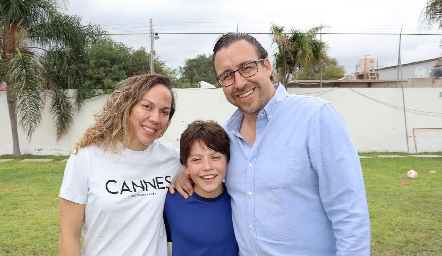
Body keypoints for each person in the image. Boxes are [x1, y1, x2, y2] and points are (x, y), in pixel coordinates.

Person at [171, 32, 371, 255]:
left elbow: (350, 213)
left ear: (266, 66)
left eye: (247, 67)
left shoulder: (315, 117)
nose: (239, 82)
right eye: (227, 75)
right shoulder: (227, 136)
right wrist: (185, 175)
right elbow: (210, 173)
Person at [58, 74, 182, 256]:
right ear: (127, 106)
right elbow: (69, 235)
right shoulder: (86, 158)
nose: (155, 118)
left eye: (164, 112)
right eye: (147, 106)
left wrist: (185, 177)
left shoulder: (172, 158)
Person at [164, 120, 238, 256]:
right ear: (185, 167)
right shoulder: (170, 199)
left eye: (215, 157)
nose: (207, 167)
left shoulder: (239, 199)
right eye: (196, 159)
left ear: (227, 161)